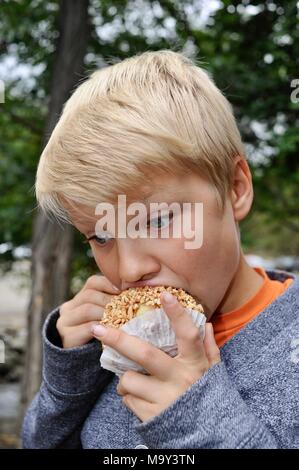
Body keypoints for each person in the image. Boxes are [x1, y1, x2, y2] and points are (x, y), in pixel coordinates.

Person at [22, 50, 298, 449]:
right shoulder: (112, 349)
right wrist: (69, 380)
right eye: (102, 237)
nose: (130, 269)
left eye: (155, 220)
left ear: (235, 189)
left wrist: (198, 418)